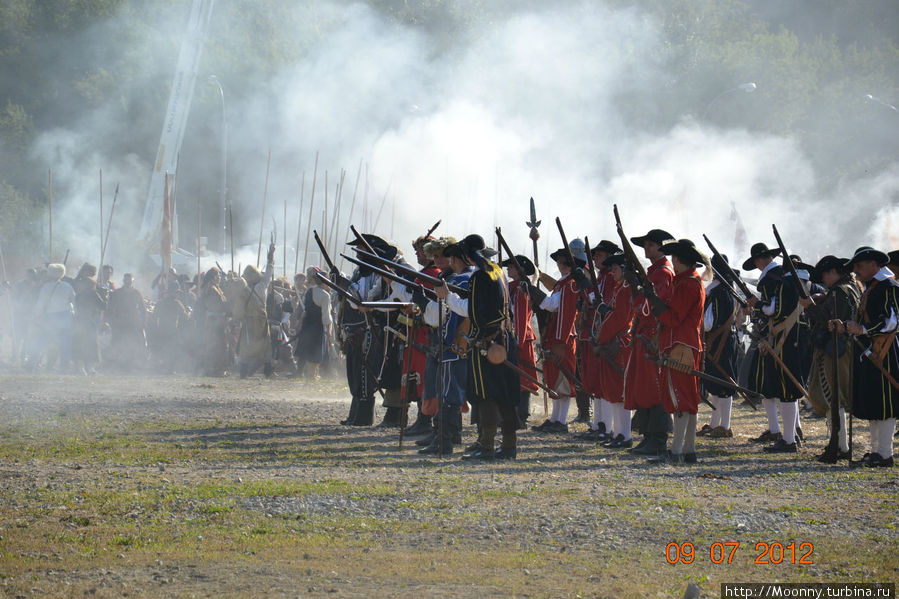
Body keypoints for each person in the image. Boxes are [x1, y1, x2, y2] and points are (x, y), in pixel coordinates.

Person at [437, 234, 520, 460]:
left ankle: (487, 447)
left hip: (487, 340)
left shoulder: (480, 276)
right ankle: (509, 446)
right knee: (504, 394)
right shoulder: (497, 272)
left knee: (486, 396)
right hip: (502, 339)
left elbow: (471, 311)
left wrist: (447, 297)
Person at [831, 247, 898, 467]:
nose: (856, 271)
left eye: (859, 266)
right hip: (869, 349)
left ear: (873, 264)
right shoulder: (871, 287)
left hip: (884, 349)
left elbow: (893, 321)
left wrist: (862, 329)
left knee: (886, 404)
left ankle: (885, 454)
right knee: (874, 402)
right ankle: (875, 451)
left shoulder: (889, 286)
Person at [646, 240, 707, 464]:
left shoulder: (688, 284)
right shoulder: (686, 282)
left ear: (678, 260)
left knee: (680, 398)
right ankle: (688, 451)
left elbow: (674, 317)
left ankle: (676, 451)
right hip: (683, 343)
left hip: (680, 344)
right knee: (687, 399)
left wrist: (654, 303)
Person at [413, 241, 474, 455]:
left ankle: (443, 441)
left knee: (448, 394)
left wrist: (422, 301)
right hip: (460, 343)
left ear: (455, 260)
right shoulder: (468, 279)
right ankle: (446, 436)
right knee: (450, 392)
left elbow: (442, 314)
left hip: (454, 343)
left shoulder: (461, 280)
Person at [743, 242, 803, 453]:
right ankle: (791, 432)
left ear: (759, 260)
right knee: (781, 388)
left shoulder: (771, 279)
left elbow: (772, 309)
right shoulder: (780, 276)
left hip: (781, 337)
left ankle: (789, 439)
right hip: (785, 335)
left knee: (785, 388)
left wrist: (756, 304)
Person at [624, 229, 676, 457]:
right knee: (644, 389)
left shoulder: (663, 273)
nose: (646, 249)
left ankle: (657, 439)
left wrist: (636, 293)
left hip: (653, 338)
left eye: (651, 245)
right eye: (645, 245)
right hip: (644, 337)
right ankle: (647, 436)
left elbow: (650, 308)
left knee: (655, 391)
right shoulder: (654, 272)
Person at [804, 255, 860, 462]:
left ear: (833, 273)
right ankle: (840, 445)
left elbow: (828, 318)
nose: (824, 279)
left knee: (833, 398)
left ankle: (839, 446)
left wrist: (809, 307)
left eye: (825, 275)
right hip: (839, 347)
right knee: (834, 398)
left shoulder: (839, 291)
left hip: (835, 348)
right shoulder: (848, 289)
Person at [534, 241, 589, 433]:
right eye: (559, 262)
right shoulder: (562, 284)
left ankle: (561, 421)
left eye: (562, 262)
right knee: (555, 378)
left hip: (563, 338)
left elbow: (562, 312)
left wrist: (561, 341)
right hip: (556, 336)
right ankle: (555, 418)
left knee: (563, 380)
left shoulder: (570, 284)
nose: (559, 265)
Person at [593, 252, 634, 448]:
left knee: (620, 392)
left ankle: (624, 435)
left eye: (616, 269)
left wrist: (602, 338)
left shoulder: (626, 290)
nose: (613, 272)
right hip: (615, 341)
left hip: (619, 343)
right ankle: (619, 433)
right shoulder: (621, 289)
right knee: (615, 392)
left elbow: (619, 319)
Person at [697, 254, 740, 439]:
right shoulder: (724, 288)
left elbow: (707, 322)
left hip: (719, 340)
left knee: (724, 382)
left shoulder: (720, 291)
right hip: (720, 340)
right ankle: (715, 424)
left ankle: (725, 425)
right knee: (715, 383)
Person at [501, 254, 543, 429]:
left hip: (520, 337)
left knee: (523, 378)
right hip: (516, 336)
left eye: (511, 267)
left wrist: (516, 340)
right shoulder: (514, 287)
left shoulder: (521, 289)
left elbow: (519, 316)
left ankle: (521, 415)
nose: (508, 269)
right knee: (514, 376)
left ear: (520, 270)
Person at [233, 244, 275, 378]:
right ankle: (268, 370)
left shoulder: (244, 291)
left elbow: (239, 310)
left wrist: (236, 320)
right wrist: (270, 259)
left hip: (249, 322)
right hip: (262, 321)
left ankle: (244, 372)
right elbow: (268, 273)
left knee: (247, 347)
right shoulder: (262, 287)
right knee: (264, 347)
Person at [26, 264, 75, 371]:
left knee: (41, 342)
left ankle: (32, 363)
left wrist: (36, 316)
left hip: (50, 317)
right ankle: (64, 366)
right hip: (65, 318)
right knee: (65, 344)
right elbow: (72, 300)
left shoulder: (46, 287)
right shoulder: (68, 286)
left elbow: (40, 304)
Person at [294, 266, 332, 379]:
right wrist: (329, 332)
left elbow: (305, 311)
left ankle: (302, 374)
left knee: (305, 351)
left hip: (307, 326)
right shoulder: (325, 296)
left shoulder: (309, 291)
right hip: (317, 328)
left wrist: (300, 323)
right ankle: (311, 376)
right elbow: (326, 317)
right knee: (314, 354)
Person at [105, 273, 147, 371]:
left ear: (132, 281)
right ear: (123, 281)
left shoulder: (136, 293)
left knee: (132, 343)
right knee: (118, 342)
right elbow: (110, 308)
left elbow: (142, 309)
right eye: (126, 280)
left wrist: (143, 322)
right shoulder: (117, 293)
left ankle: (130, 365)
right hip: (120, 321)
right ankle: (116, 365)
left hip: (133, 321)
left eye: (129, 280)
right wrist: (110, 320)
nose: (127, 282)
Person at [71, 263, 107, 375]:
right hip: (90, 321)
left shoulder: (78, 293)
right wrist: (105, 296)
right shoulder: (93, 293)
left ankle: (80, 368)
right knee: (91, 344)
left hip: (78, 320)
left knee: (79, 343)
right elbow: (103, 306)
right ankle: (89, 367)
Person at [198, 268, 230, 377]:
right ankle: (215, 370)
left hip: (216, 320)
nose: (219, 278)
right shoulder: (211, 289)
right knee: (217, 345)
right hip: (215, 321)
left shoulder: (215, 288)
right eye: (218, 276)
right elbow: (218, 305)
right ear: (213, 277)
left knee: (219, 345)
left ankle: (216, 369)